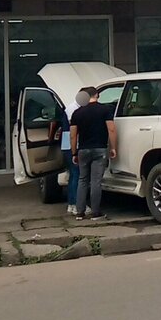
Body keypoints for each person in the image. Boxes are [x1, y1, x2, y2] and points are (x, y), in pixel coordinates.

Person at [70, 87, 117, 222]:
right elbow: (111, 129)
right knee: (96, 181)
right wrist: (113, 147)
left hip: (83, 150)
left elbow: (73, 135)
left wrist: (74, 152)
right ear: (97, 95)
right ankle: (96, 213)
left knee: (82, 180)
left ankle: (80, 212)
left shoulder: (77, 113)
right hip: (100, 149)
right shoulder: (105, 110)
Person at [60, 91, 87, 215]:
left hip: (67, 144)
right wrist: (75, 150)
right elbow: (74, 131)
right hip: (71, 145)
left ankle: (71, 204)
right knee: (77, 174)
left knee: (73, 175)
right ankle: (76, 204)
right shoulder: (73, 110)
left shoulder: (71, 107)